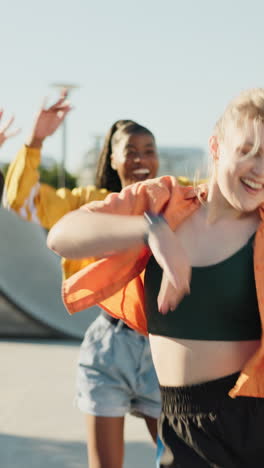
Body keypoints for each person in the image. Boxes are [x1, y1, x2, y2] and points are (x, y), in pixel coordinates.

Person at [48, 87, 264, 467]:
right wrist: (151, 230)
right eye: (249, 151)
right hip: (180, 426)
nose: (260, 170)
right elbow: (62, 235)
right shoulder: (160, 202)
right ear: (216, 147)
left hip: (252, 425)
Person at [4, 93, 188, 467]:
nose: (140, 158)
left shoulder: (177, 196)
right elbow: (21, 202)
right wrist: (35, 142)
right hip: (109, 347)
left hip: (164, 348)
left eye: (148, 149)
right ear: (113, 158)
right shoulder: (90, 203)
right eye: (130, 151)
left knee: (180, 461)